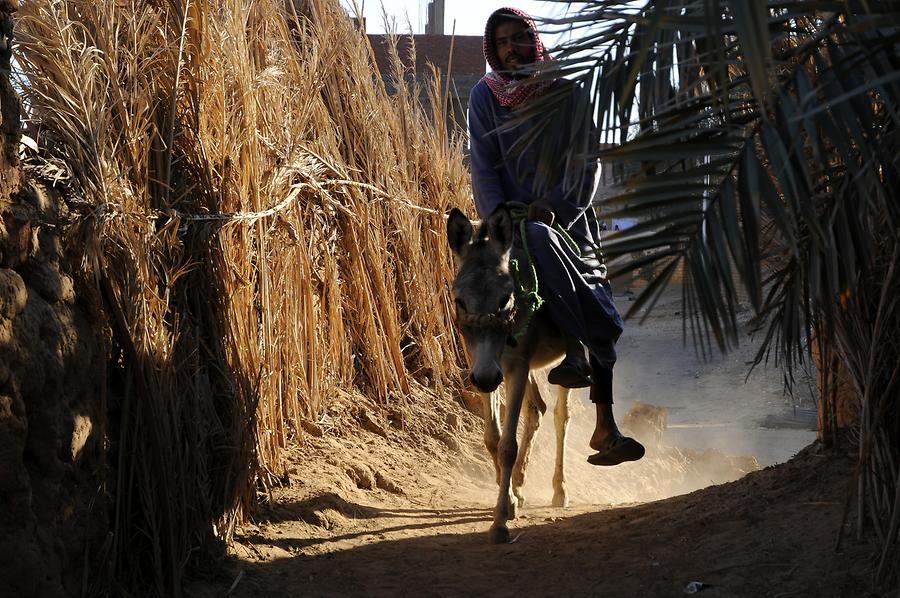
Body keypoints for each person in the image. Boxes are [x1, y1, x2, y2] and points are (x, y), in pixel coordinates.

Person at [468, 7, 644, 466]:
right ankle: (492, 361)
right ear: (494, 49)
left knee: (594, 291)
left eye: (518, 37)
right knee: (475, 289)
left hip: (569, 216)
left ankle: (606, 424)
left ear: (534, 40)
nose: (511, 48)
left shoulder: (567, 93)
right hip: (507, 223)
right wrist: (499, 217)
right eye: (502, 41)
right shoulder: (484, 98)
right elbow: (484, 166)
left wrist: (560, 207)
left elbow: (587, 161)